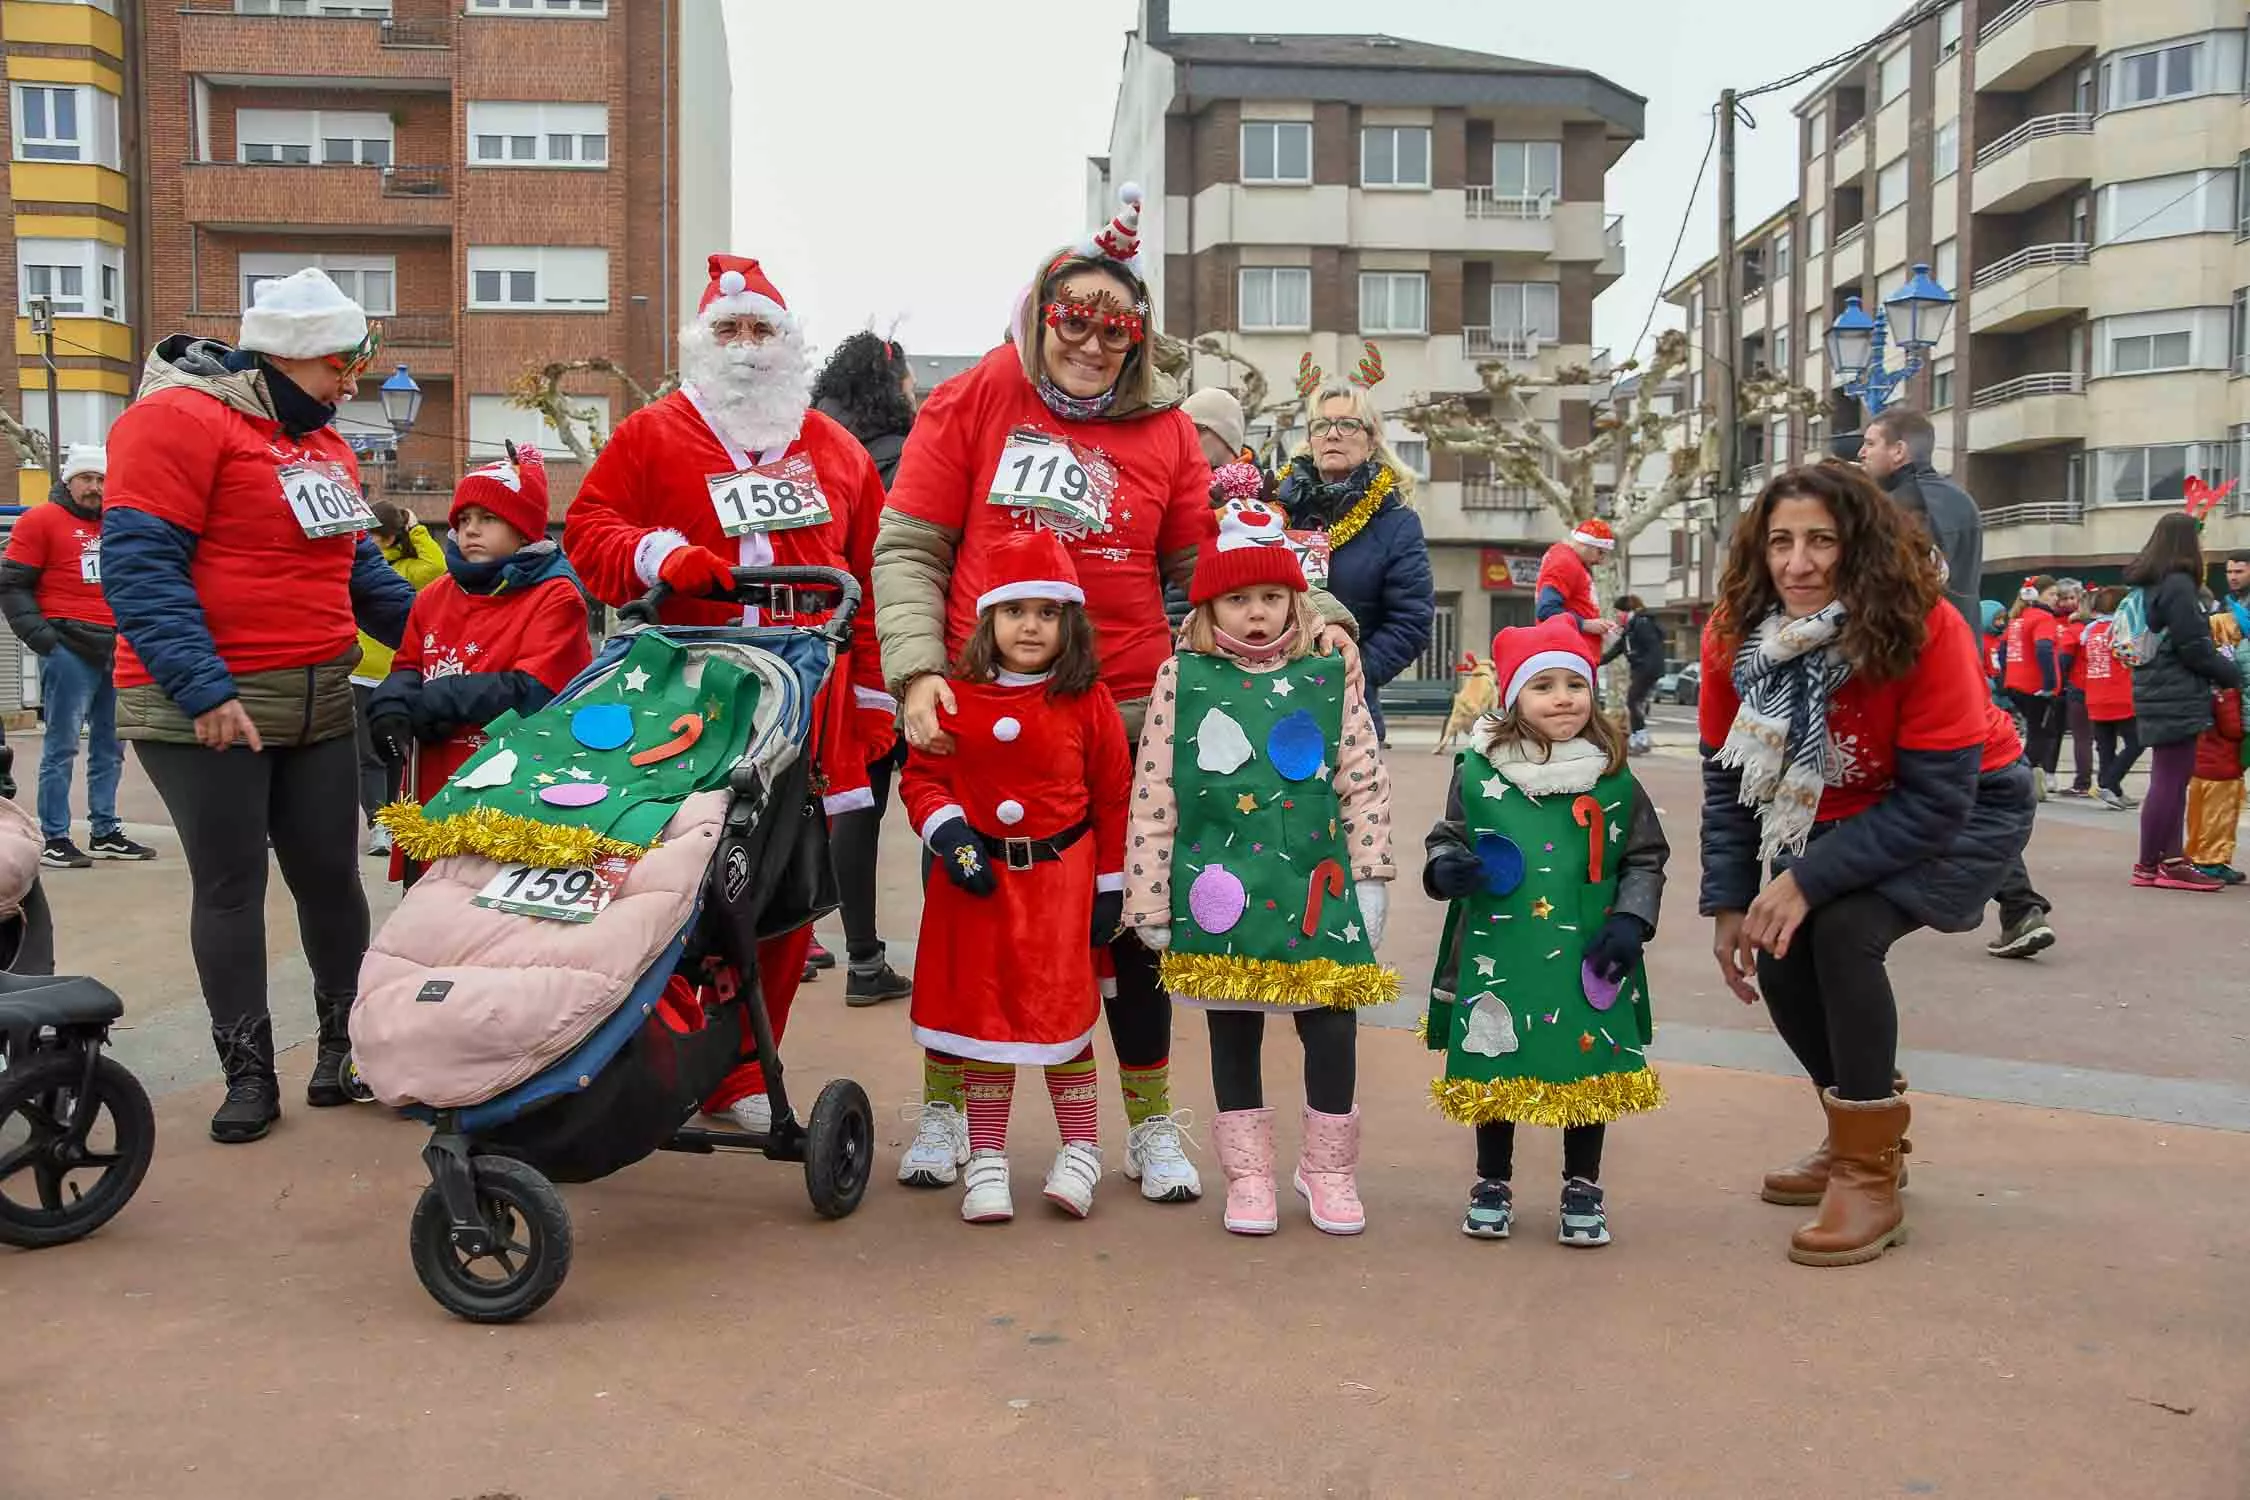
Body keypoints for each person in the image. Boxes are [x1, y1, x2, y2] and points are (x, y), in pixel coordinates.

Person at [875, 186, 1359, 1203]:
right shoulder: (969, 402)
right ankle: (948, 1110)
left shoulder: (1170, 434)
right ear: (1039, 312)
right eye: (1076, 321)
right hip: (985, 704)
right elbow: (912, 547)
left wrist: (1306, 606)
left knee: (1131, 928)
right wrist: (917, 670)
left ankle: (1148, 1127)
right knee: (965, 915)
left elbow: (1205, 560)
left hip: (1130, 711)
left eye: (1119, 328)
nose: (1095, 344)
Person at [562, 253, 894, 1132]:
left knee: (783, 889)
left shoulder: (837, 453)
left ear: (790, 346)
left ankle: (745, 1071)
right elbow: (590, 530)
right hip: (686, 693)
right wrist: (659, 553)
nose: (745, 349)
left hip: (810, 694)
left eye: (761, 331)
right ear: (701, 344)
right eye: (728, 331)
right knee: (661, 879)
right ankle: (654, 1057)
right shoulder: (651, 435)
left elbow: (869, 576)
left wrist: (872, 699)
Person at [101, 267, 414, 1143]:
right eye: (336, 368)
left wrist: (458, 628)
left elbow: (360, 573)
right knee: (232, 886)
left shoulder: (324, 448)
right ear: (286, 357)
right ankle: (247, 1072)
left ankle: (342, 1052)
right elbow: (141, 568)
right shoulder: (173, 422)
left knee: (330, 875)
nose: (348, 385)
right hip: (208, 705)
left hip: (317, 697)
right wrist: (201, 686)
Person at [1699, 464, 2033, 1266]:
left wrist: (1805, 880)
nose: (1799, 563)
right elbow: (1725, 778)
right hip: (1820, 813)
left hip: (1966, 806)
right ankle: (1856, 1120)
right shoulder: (1734, 635)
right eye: (1781, 542)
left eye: (1822, 540)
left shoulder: (1926, 627)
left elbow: (1935, 803)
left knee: (1842, 927)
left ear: (1863, 547)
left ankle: (1868, 1172)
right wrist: (1732, 901)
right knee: (1781, 954)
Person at [1125, 501, 1396, 1237]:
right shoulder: (1180, 678)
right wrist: (1148, 900)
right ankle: (1248, 1176)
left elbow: (1362, 779)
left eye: (1271, 598)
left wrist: (1370, 878)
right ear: (1210, 603)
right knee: (1232, 1031)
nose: (1255, 613)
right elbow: (1154, 796)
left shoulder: (1328, 672)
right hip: (1222, 893)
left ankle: (1328, 1168)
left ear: (1294, 600)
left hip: (1318, 888)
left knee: (1333, 1026)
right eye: (1237, 600)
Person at [898, 530, 1129, 1222]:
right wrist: (949, 833)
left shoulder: (1088, 700)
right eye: (1015, 610)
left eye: (1048, 612)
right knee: (984, 1021)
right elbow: (924, 779)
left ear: (1070, 623)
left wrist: (1109, 886)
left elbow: (1113, 795)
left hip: (1059, 885)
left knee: (1064, 1022)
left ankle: (1082, 1148)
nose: (1031, 626)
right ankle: (989, 1158)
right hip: (977, 886)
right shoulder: (956, 692)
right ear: (988, 618)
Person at [1425, 616, 1669, 1247]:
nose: (1563, 698)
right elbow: (1448, 839)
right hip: (1499, 948)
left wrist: (1629, 919)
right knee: (1496, 1049)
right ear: (1512, 699)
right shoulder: (1477, 772)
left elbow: (1645, 855)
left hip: (1590, 946)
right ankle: (1492, 1181)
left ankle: (1582, 1185)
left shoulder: (1613, 774)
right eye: (1543, 686)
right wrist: (1445, 869)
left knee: (1585, 1064)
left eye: (1574, 684)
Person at [365, 444, 591, 885]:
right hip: (433, 779)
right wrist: (391, 704)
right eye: (463, 520)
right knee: (426, 904)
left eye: (488, 519)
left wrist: (439, 700)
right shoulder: (436, 594)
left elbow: (535, 689)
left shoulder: (555, 596)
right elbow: (409, 661)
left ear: (523, 530)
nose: (470, 531)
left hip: (512, 789)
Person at [808, 330, 923, 1005]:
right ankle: (911, 960)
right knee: (932, 791)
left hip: (824, 645)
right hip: (891, 639)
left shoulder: (813, 447)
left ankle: (854, 952)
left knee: (849, 799)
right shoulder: (903, 457)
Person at [0, 444, 154, 866]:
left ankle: (105, 829)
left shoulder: (117, 525)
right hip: (67, 647)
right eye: (87, 479)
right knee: (62, 745)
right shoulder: (41, 521)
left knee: (111, 745)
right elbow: (12, 584)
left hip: (115, 648)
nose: (95, 488)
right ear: (69, 481)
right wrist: (43, 638)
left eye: (102, 480)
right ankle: (55, 835)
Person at [1277, 380, 1434, 744]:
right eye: (1322, 425)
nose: (1333, 435)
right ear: (1310, 439)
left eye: (1347, 424)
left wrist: (1354, 665)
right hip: (1266, 692)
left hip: (1349, 703)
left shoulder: (1396, 521)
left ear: (1371, 438)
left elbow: (1412, 621)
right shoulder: (1275, 509)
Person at [2123, 512, 2239, 891]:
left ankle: (2168, 859)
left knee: (2167, 777)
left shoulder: (2155, 582)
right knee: (2170, 781)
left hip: (2158, 687)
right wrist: (2228, 674)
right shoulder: (2179, 585)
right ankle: (2152, 864)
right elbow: (2193, 645)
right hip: (2175, 689)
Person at [351, 499, 445, 855]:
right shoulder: (355, 571)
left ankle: (391, 820)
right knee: (368, 756)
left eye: (378, 535)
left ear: (391, 538)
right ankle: (377, 824)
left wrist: (416, 526)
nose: (370, 540)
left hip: (396, 676)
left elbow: (437, 565)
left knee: (395, 755)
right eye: (367, 534)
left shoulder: (409, 568)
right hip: (360, 675)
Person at [1859, 408, 1982, 636]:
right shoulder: (1959, 498)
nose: (1861, 452)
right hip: (1959, 647)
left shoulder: (1906, 503)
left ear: (1898, 451)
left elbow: (1909, 583)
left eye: (1870, 444)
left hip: (1924, 651)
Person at [2183, 612, 2247, 884]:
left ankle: (2195, 854)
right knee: (2219, 816)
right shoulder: (2225, 688)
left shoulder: (2196, 681)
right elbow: (2232, 728)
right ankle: (2213, 861)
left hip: (2199, 763)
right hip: (2222, 765)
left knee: (2197, 814)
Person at [2001, 575, 2067, 794]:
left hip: (2015, 684)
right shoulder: (2042, 618)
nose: (2056, 599)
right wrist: (2049, 684)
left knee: (2036, 731)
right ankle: (2021, 781)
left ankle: (2027, 778)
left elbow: (2002, 651)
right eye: (2052, 594)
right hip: (2035, 686)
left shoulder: (2017, 619)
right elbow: (2044, 649)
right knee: (2042, 734)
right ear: (2037, 595)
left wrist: (2005, 678)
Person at [2081, 587, 2140, 809]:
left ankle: (2113, 791)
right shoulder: (2119, 628)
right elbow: (2128, 656)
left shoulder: (2091, 630)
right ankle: (2108, 782)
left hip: (2095, 694)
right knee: (2137, 742)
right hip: (2119, 694)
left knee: (2105, 746)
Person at [1532, 517, 1619, 649]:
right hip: (1568, 652)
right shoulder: (1564, 563)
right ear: (1585, 545)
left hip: (1571, 651)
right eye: (1600, 552)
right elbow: (1546, 610)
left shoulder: (1570, 561)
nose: (1600, 560)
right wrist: (1585, 624)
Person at [1602, 594, 1666, 753]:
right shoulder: (1630, 629)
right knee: (1634, 702)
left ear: (1627, 611)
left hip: (1646, 670)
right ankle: (1640, 737)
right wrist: (1593, 662)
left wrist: (1646, 670)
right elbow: (1616, 650)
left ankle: (1641, 739)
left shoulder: (1642, 624)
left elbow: (1654, 649)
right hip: (1640, 670)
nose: (1617, 616)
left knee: (1633, 701)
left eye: (1618, 612)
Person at [2054, 579, 2096, 797]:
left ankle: (2082, 782)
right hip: (2099, 685)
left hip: (2078, 685)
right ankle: (2106, 780)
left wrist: (2058, 683)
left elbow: (2064, 658)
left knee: (2082, 738)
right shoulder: (2097, 627)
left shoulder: (2074, 629)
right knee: (2101, 739)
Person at [1181, 385, 1250, 473]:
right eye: (1180, 431)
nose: (1185, 440)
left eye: (1195, 429)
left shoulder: (1263, 485)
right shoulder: (1174, 481)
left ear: (1226, 434)